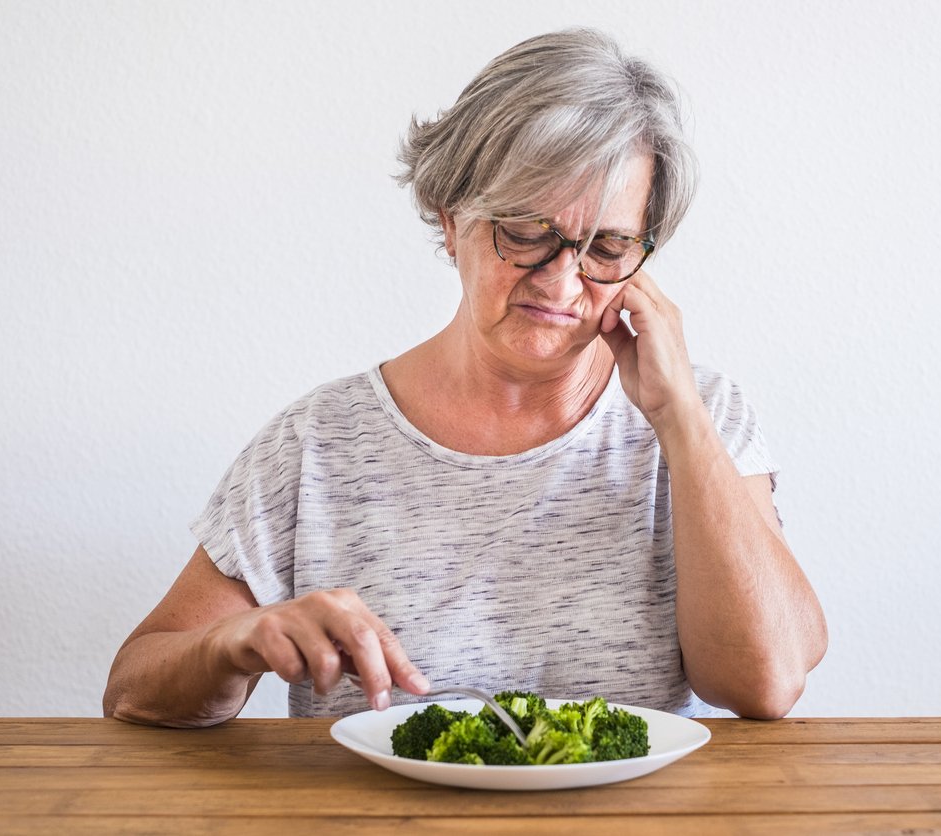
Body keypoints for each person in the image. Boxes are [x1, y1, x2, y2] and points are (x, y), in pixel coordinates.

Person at [103, 27, 826, 728]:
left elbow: (764, 684)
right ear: (451, 220)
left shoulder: (705, 414)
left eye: (606, 246)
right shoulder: (319, 443)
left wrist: (680, 421)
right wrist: (236, 641)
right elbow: (135, 687)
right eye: (525, 233)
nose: (563, 282)